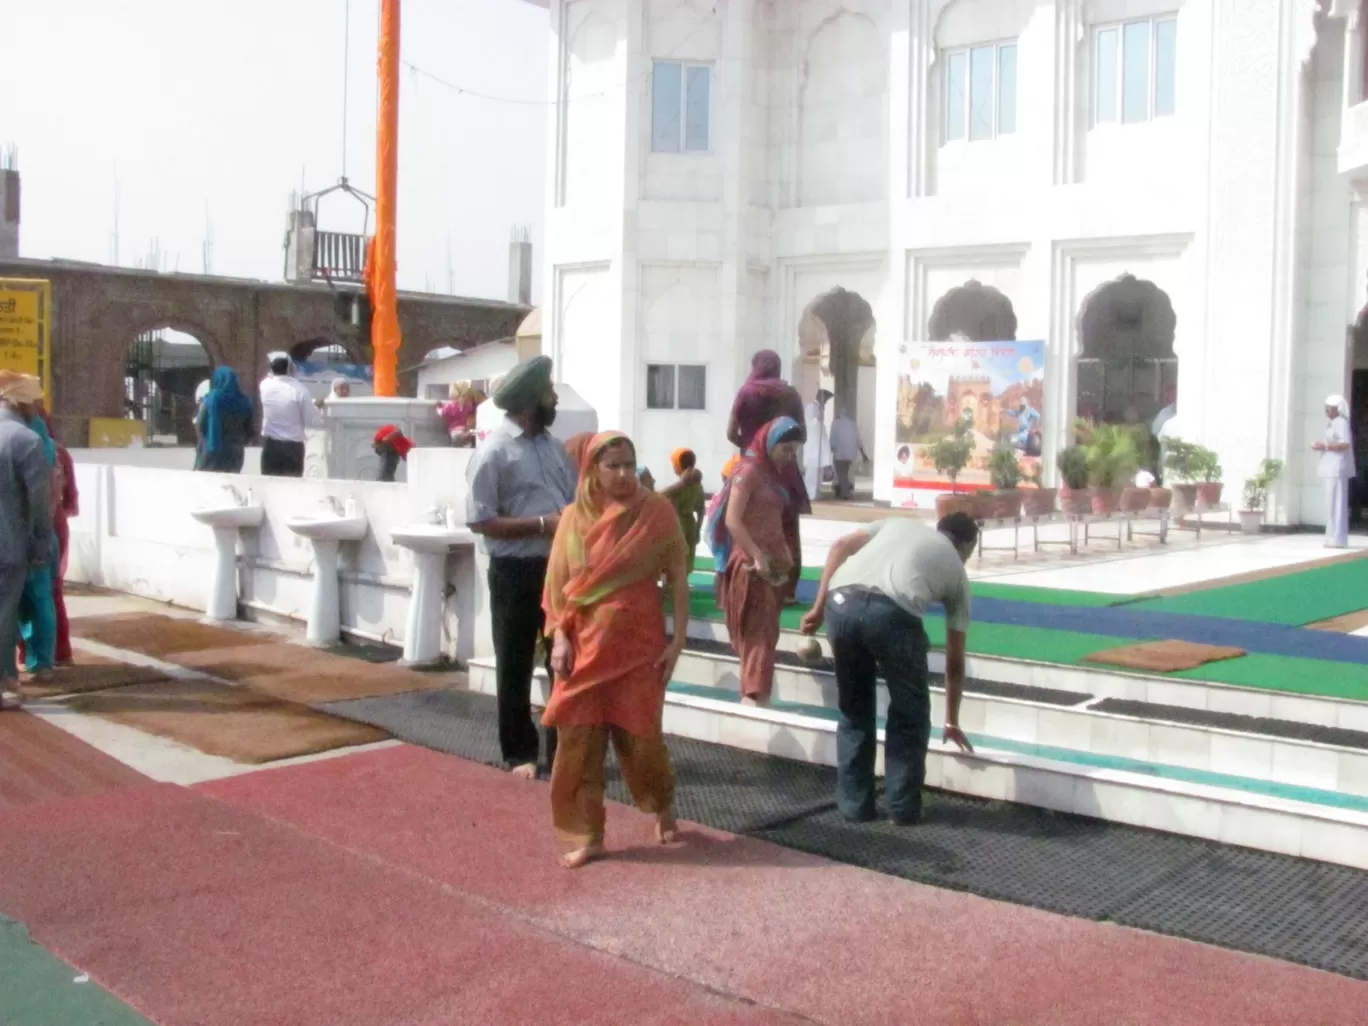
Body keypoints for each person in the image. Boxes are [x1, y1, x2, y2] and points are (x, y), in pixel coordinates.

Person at [542, 432, 688, 868]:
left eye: (630, 464)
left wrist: (677, 640)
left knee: (642, 740)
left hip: (638, 646)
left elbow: (678, 578)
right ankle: (589, 834)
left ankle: (661, 802)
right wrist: (561, 638)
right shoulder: (572, 518)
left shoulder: (657, 512)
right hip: (583, 650)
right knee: (578, 744)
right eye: (614, 466)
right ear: (593, 471)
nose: (625, 475)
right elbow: (556, 590)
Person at [799, 513, 979, 825]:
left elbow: (840, 545)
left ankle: (854, 807)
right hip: (893, 614)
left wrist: (817, 607)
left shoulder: (897, 523)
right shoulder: (958, 574)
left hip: (840, 603)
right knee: (910, 715)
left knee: (854, 710)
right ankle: (902, 808)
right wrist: (951, 719)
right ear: (969, 546)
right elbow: (954, 659)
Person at [466, 355, 577, 778]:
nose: (554, 402)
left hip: (557, 570)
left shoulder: (552, 447)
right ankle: (519, 752)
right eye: (549, 395)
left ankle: (564, 750)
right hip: (514, 572)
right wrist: (541, 524)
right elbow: (480, 519)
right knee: (513, 662)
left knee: (564, 662)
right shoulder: (494, 452)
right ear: (532, 401)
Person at [707, 417, 802, 705]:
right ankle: (754, 704)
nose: (789, 457)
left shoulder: (772, 476)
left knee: (764, 637)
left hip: (770, 568)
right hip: (750, 567)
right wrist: (758, 555)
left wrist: (782, 553)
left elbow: (774, 521)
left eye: (793, 451)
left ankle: (756, 700)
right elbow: (733, 520)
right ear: (770, 444)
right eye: (785, 449)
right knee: (757, 639)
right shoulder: (747, 472)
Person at [727, 351, 808, 604]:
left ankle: (743, 583)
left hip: (753, 467)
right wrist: (782, 447)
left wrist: (752, 447)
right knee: (788, 528)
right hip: (785, 470)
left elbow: (731, 432)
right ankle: (788, 590)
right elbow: (801, 434)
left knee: (743, 520)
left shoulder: (746, 393)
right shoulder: (790, 394)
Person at [0, 373, 52, 708]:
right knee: (4, 614)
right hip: (9, 544)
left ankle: (6, 675)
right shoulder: (26, 441)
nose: (39, 405)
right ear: (22, 402)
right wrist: (40, 543)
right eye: (34, 399)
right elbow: (39, 503)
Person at [17, 405, 60, 683]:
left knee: (22, 599)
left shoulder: (21, 441)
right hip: (43, 528)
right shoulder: (47, 446)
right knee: (41, 597)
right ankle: (41, 662)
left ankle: (33, 661)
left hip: (22, 530)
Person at [258, 354, 321, 477]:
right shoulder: (300, 390)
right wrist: (316, 408)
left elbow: (268, 377)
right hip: (293, 447)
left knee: (268, 485)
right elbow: (311, 421)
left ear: (271, 369)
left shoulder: (264, 386)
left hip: (270, 445)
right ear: (289, 368)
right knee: (291, 487)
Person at [195, 367, 254, 473]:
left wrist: (202, 441)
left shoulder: (211, 399)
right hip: (235, 453)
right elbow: (249, 429)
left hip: (212, 449)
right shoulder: (244, 401)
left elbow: (200, 424)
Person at [1315, 394, 1354, 548]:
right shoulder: (1332, 423)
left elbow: (1345, 444)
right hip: (1330, 467)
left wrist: (1324, 446)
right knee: (1331, 504)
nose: (1327, 411)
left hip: (1337, 468)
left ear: (1337, 409)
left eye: (1329, 408)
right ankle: (1332, 536)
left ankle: (1339, 538)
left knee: (1337, 504)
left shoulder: (1340, 422)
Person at [667, 449, 706, 573]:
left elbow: (659, 498)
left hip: (678, 525)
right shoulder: (698, 485)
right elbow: (701, 510)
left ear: (678, 466)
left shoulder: (678, 488)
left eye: (673, 464)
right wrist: (698, 529)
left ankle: (672, 590)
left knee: (674, 562)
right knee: (687, 562)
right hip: (691, 525)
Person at [828, 408, 867, 500]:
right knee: (845, 473)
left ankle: (845, 493)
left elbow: (833, 438)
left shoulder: (835, 424)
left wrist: (831, 448)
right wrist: (863, 453)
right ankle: (845, 491)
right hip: (851, 453)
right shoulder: (853, 424)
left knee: (841, 473)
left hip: (839, 453)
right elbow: (858, 439)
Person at [803, 389, 832, 500]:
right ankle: (810, 494)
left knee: (819, 472)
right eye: (825, 399)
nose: (825, 402)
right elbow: (809, 423)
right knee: (812, 473)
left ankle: (816, 491)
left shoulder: (819, 408)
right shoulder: (811, 407)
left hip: (818, 447)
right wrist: (817, 419)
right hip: (813, 447)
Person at [437, 381, 479, 447]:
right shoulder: (469, 405)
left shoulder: (450, 406)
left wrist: (439, 406)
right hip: (467, 432)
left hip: (455, 433)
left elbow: (441, 413)